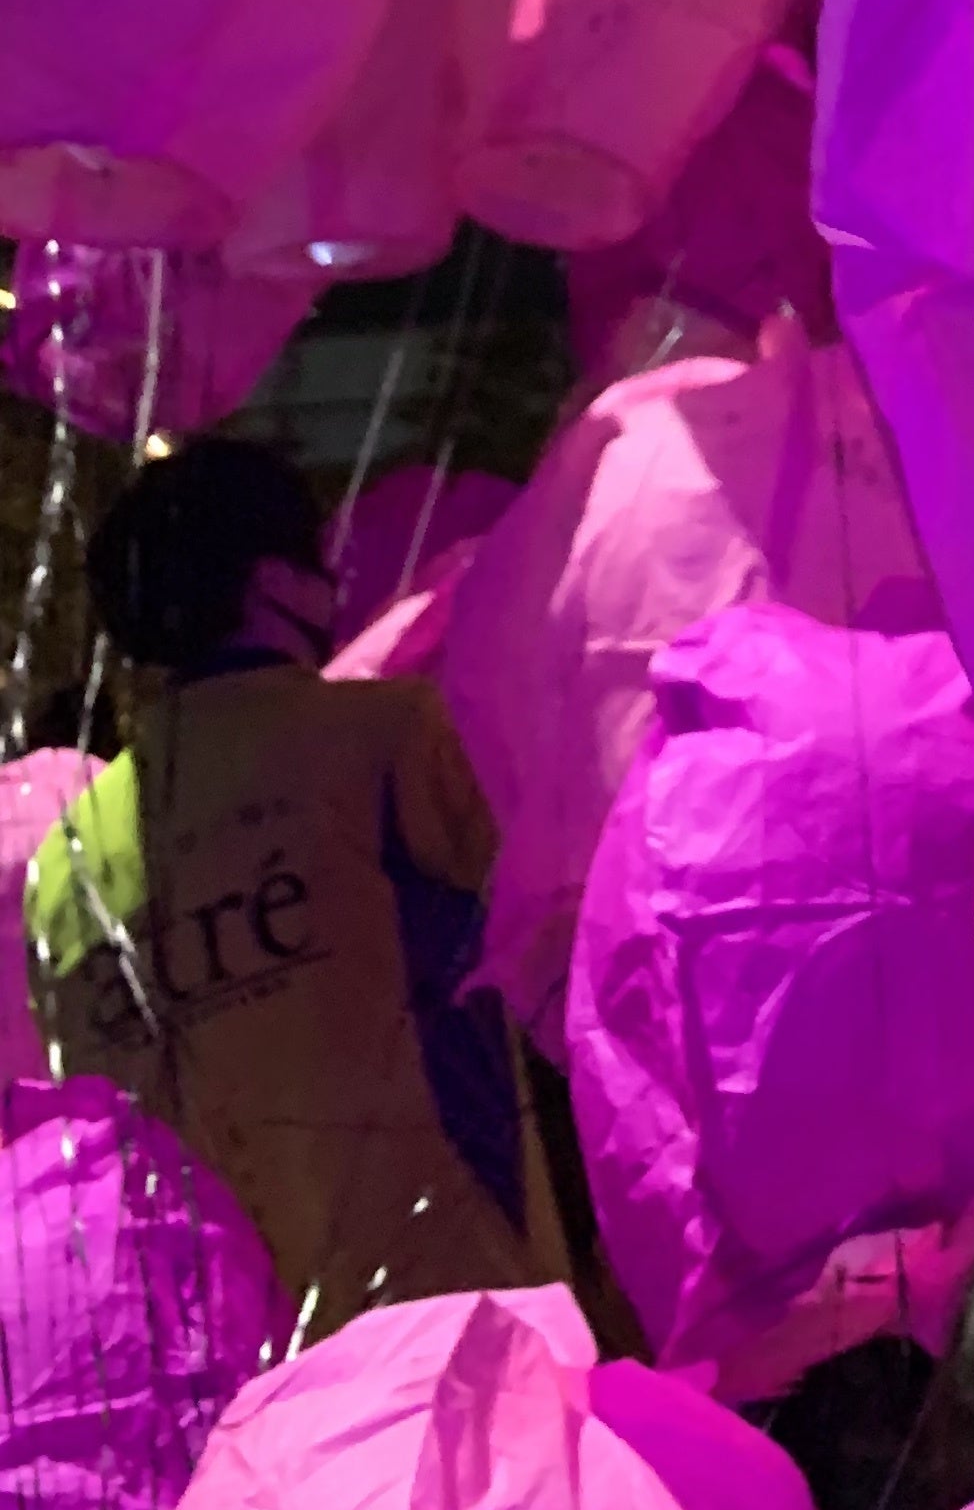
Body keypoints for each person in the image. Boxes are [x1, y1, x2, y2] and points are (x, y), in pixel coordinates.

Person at [23, 436, 570, 1338]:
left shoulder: (63, 863)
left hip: (229, 1362)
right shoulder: (385, 737)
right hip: (459, 1316)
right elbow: (554, 954)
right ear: (275, 581)